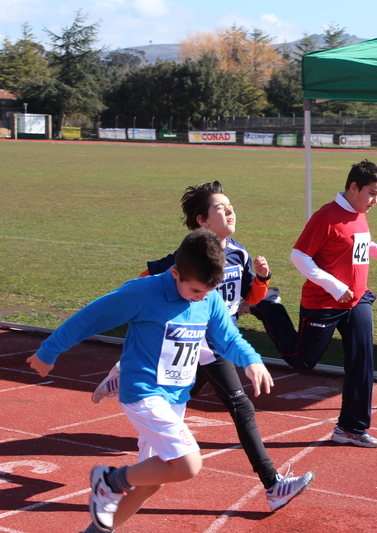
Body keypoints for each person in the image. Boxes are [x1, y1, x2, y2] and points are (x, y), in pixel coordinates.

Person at [26, 229, 276, 533]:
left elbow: (228, 337)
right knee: (188, 464)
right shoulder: (143, 293)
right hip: (144, 393)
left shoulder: (208, 299)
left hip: (175, 399)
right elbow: (91, 317)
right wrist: (49, 351)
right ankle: (110, 480)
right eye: (196, 291)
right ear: (175, 273)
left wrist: (251, 359)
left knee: (153, 481)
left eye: (209, 291)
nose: (202, 298)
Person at [91, 181, 313, 513]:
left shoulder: (239, 253)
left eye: (231, 206)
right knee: (242, 407)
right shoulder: (189, 257)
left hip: (210, 346)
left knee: (172, 403)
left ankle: (134, 469)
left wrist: (263, 280)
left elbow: (248, 299)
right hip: (200, 344)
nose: (230, 211)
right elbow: (144, 283)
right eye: (220, 209)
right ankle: (273, 485)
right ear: (202, 221)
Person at [251, 160, 377, 448]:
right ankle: (268, 305)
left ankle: (351, 428)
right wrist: (334, 285)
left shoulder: (359, 211)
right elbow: (299, 257)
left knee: (362, 361)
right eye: (371, 193)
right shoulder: (325, 216)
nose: (375, 201)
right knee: (302, 360)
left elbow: (355, 245)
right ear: (353, 188)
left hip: (356, 301)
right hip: (324, 303)